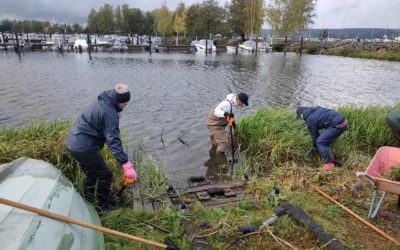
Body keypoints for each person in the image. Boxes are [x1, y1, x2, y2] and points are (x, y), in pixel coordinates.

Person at [65, 84, 137, 211]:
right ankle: (103, 206)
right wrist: (126, 165)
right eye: (125, 104)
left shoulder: (102, 102)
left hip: (73, 142)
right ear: (119, 101)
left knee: (92, 173)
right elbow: (113, 140)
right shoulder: (110, 113)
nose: (125, 107)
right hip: (83, 146)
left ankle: (88, 199)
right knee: (106, 174)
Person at [296, 106, 348, 171]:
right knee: (324, 138)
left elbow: (314, 135)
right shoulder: (317, 108)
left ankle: (329, 164)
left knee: (320, 141)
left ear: (301, 115)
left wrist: (315, 146)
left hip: (338, 125)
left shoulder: (310, 119)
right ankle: (329, 155)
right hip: (343, 121)